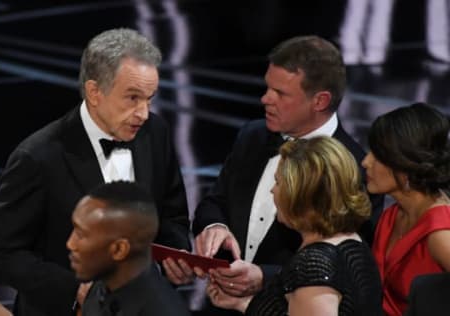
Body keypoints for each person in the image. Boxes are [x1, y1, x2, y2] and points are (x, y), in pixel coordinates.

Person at [0, 28, 190, 316]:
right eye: (132, 98)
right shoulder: (38, 156)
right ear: (95, 92)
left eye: (150, 98)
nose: (144, 113)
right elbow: (1, 254)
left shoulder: (155, 133)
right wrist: (74, 290)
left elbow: (171, 214)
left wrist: (175, 260)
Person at [164, 35, 383, 306]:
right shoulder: (252, 137)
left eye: (280, 93)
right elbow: (214, 201)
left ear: (320, 101)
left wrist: (265, 277)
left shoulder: (353, 170)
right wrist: (214, 226)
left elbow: (349, 267)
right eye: (268, 87)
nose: (265, 98)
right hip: (221, 305)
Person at [206, 136, 383, 315]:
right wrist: (243, 304)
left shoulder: (314, 266)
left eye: (278, 182)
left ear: (299, 195)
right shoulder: (352, 242)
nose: (272, 190)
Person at [362, 103, 450, 316]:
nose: (366, 162)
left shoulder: (441, 234)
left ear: (406, 164)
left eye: (379, 156)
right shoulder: (391, 215)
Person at [67, 181, 191, 316]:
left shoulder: (162, 309)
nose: (70, 244)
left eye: (82, 234)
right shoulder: (95, 297)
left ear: (119, 249)